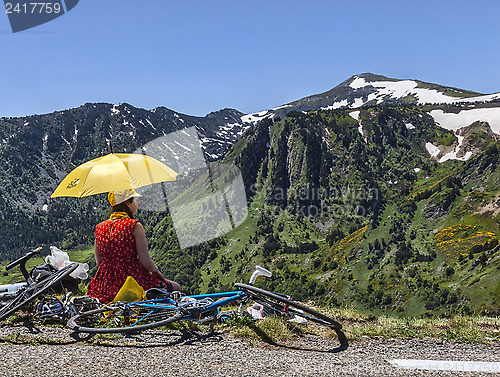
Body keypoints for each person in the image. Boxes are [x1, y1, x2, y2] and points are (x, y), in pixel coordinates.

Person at [87, 189, 180, 303]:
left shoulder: (99, 227)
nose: (138, 203)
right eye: (135, 200)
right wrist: (159, 275)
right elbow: (146, 262)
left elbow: (99, 262)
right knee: (175, 287)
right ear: (127, 203)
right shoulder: (134, 226)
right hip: (131, 281)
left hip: (103, 285)